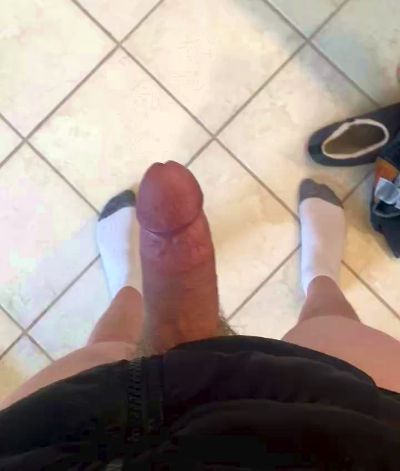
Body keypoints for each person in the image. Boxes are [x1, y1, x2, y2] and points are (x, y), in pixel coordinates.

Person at [1, 164, 400, 470]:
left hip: (57, 442)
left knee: (105, 352)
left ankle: (129, 283)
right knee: (330, 330)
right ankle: (320, 274)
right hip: (363, 435)